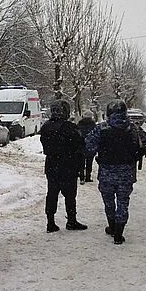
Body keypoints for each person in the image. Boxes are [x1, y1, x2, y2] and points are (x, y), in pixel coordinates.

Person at [86, 100, 146, 245]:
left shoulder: (101, 128)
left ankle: (112, 226)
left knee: (108, 202)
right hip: (127, 172)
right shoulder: (133, 128)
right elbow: (145, 143)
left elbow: (89, 146)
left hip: (107, 171)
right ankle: (119, 233)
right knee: (123, 202)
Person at [39, 99, 88, 233]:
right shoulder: (70, 127)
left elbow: (45, 146)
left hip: (51, 165)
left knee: (52, 193)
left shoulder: (46, 127)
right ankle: (71, 220)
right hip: (68, 166)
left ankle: (50, 222)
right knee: (70, 195)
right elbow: (80, 146)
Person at [76, 110, 97, 184]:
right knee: (89, 162)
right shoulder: (93, 124)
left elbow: (77, 135)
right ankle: (88, 176)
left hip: (81, 146)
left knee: (81, 163)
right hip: (90, 147)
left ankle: (82, 177)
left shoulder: (79, 124)